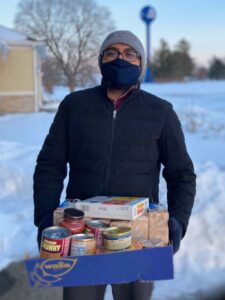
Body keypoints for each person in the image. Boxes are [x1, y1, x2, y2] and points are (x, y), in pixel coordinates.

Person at [33, 30, 196, 300]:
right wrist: (45, 217)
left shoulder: (161, 112)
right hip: (81, 235)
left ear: (140, 64)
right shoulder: (74, 106)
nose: (120, 58)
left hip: (139, 237)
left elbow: (181, 174)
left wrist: (178, 221)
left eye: (129, 53)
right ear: (100, 61)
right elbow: (50, 165)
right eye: (112, 53)